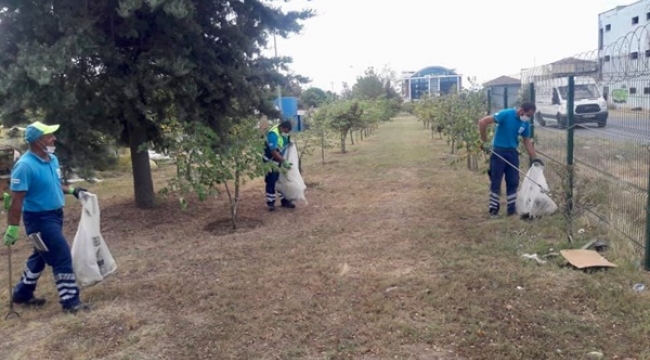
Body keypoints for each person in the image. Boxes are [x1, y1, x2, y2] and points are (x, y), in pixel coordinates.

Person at [3, 121, 91, 313]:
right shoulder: (24, 166)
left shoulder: (52, 159)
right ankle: (70, 302)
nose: (54, 138)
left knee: (40, 256)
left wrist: (73, 190)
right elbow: (17, 199)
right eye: (49, 136)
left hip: (55, 215)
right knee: (61, 256)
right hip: (38, 220)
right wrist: (13, 226)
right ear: (37, 141)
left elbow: (54, 184)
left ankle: (22, 294)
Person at [478, 102, 544, 217]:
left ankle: (511, 210)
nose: (528, 117)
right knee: (496, 181)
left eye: (530, 116)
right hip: (499, 152)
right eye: (528, 114)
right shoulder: (505, 114)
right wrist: (484, 142)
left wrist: (534, 158)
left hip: (512, 153)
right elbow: (482, 122)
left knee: (513, 181)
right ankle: (493, 210)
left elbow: (526, 141)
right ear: (521, 111)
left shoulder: (524, 123)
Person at [263, 120, 296, 211]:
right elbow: (273, 152)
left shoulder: (284, 133)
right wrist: (284, 161)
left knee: (281, 180)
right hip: (270, 161)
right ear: (282, 128)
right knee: (271, 180)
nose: (286, 133)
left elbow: (285, 144)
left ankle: (284, 201)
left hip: (279, 159)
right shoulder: (273, 134)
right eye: (286, 131)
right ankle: (271, 203)